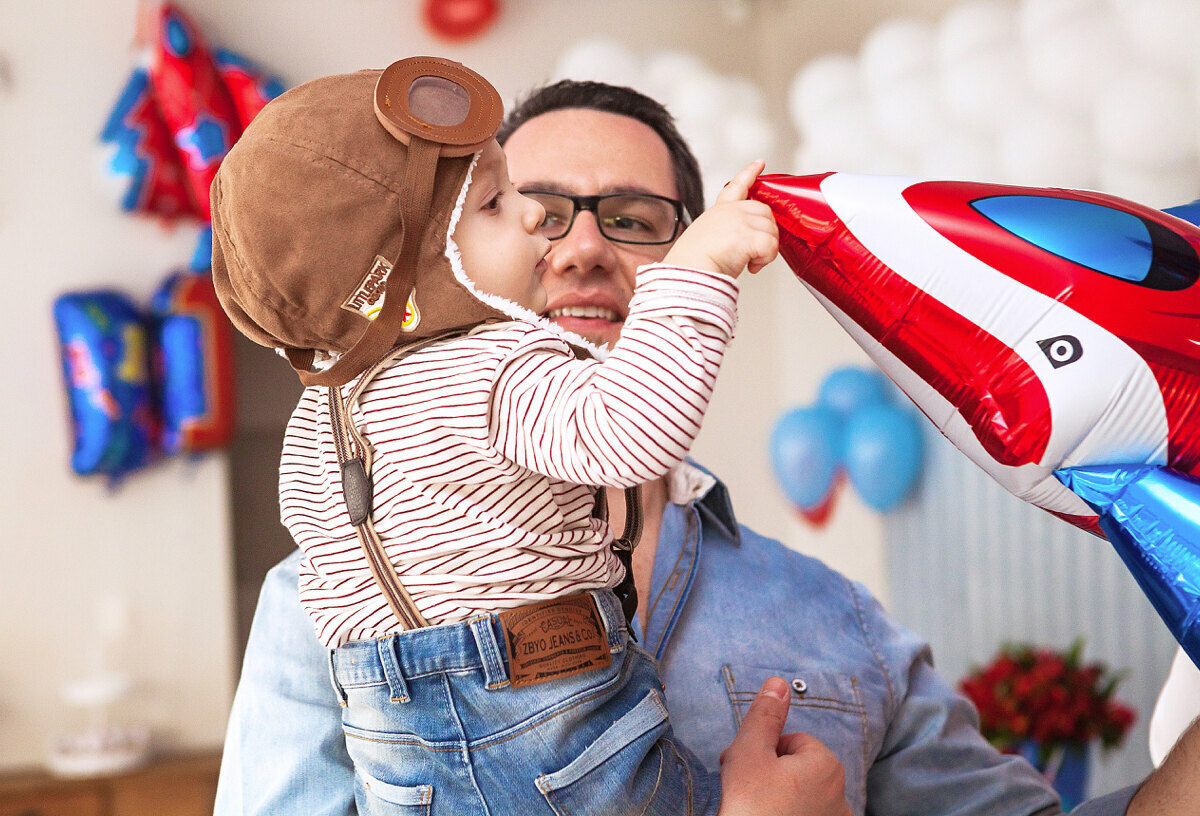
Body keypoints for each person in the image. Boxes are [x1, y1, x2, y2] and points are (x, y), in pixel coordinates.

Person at [214, 76, 1200, 816]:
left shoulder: (837, 624)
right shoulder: (319, 612)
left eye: (636, 221)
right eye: (528, 208)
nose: (580, 248)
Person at [210, 55, 809, 816]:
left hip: (395, 751)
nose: (541, 224)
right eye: (496, 202)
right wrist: (695, 270)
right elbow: (630, 430)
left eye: (632, 220)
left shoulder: (316, 425)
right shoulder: (492, 366)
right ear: (406, 272)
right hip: (540, 709)